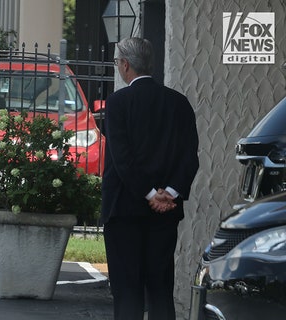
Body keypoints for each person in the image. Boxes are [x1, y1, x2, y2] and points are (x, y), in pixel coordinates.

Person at [100, 37, 199, 320]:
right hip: (166, 212)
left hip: (123, 209)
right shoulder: (179, 103)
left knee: (127, 289)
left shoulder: (118, 102)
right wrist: (169, 192)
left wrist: (148, 193)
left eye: (118, 62)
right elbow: (189, 156)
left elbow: (122, 159)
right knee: (160, 287)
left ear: (126, 65)